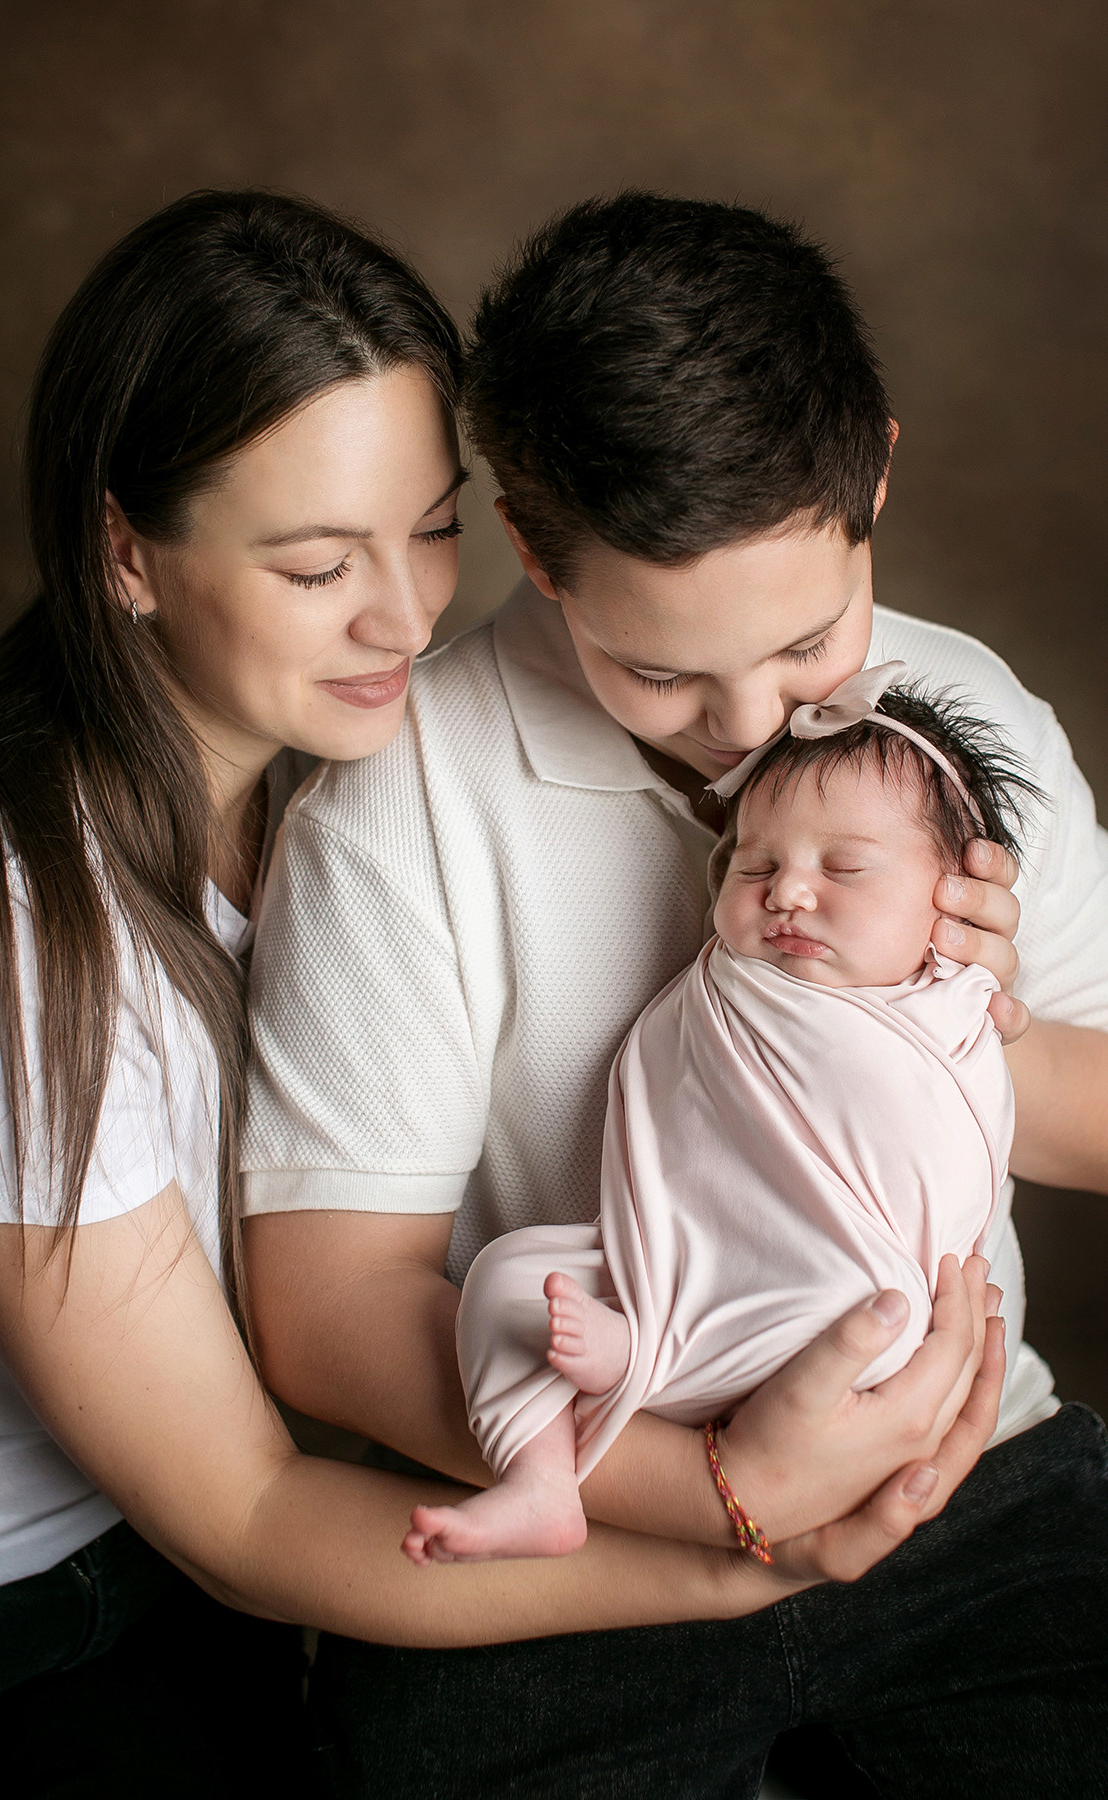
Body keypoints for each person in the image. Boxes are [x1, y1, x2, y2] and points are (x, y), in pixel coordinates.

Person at [0, 189, 888, 1800]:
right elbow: (243, 1522)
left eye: (432, 527)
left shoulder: (328, 744)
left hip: (238, 1508)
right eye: (314, 565)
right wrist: (737, 1547)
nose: (406, 615)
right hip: (0, 1601)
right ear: (124, 552)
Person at [242, 194, 1108, 1797]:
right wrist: (714, 1484)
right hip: (569, 1534)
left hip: (969, 1477)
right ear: (531, 547)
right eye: (659, 673)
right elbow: (324, 1311)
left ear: (877, 482)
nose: (752, 721)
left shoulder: (963, 716)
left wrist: (999, 1031)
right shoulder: (401, 797)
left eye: (805, 644)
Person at [408, 674, 1047, 1565]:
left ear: (956, 902)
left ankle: (640, 1363)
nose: (787, 893)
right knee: (508, 1281)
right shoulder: (730, 978)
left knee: (866, 1323)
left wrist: (972, 981)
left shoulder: (947, 997)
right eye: (757, 866)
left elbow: (967, 1104)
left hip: (847, 1282)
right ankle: (541, 1480)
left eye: (845, 868)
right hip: (662, 1263)